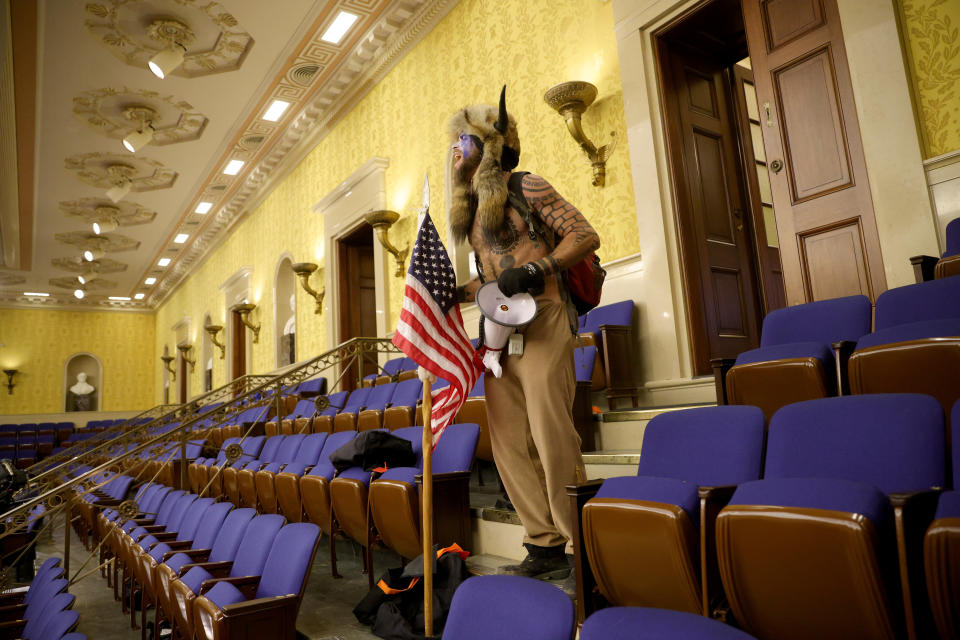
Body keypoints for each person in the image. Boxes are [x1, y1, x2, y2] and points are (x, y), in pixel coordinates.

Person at [449, 87, 600, 581]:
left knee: (550, 431)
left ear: (489, 147)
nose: (455, 150)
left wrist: (541, 270)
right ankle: (544, 544)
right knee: (510, 440)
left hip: (548, 315)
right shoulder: (472, 215)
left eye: (464, 142)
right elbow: (492, 277)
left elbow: (584, 234)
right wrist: (455, 292)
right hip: (500, 331)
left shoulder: (527, 186)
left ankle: (584, 542)